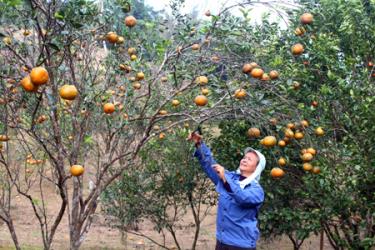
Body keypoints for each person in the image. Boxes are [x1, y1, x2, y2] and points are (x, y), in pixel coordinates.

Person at [187, 131, 266, 250]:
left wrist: (225, 180)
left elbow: (242, 198)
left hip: (241, 245)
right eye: (244, 157)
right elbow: (210, 164)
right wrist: (199, 144)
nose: (244, 160)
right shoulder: (230, 178)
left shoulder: (256, 190)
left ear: (256, 168)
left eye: (249, 159)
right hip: (222, 241)